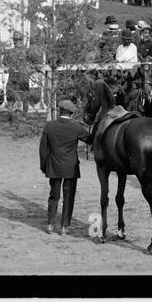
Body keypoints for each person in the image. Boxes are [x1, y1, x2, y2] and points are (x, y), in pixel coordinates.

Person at [39, 99, 93, 235]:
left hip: (53, 166)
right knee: (69, 197)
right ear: (72, 113)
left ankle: (50, 224)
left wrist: (44, 166)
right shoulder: (76, 127)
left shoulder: (49, 126)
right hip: (71, 167)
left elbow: (43, 150)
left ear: (59, 111)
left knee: (54, 196)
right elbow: (90, 139)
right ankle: (64, 227)